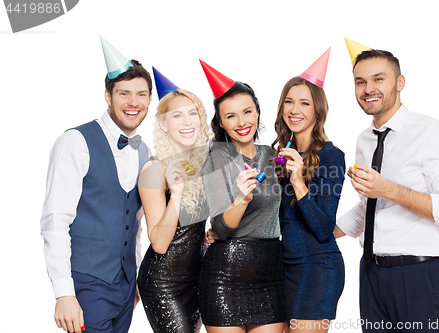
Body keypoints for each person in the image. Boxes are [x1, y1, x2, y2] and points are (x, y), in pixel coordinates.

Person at [334, 46, 439, 332]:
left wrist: (389, 189)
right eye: (360, 82)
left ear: (400, 83)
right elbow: (369, 207)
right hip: (370, 273)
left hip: (418, 276)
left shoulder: (430, 131)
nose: (368, 88)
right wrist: (317, 235)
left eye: (378, 79)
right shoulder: (364, 140)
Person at [40, 37, 152, 333]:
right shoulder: (75, 142)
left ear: (150, 100)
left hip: (127, 288)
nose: (133, 102)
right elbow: (55, 220)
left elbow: (135, 222)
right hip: (87, 284)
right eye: (124, 93)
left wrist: (136, 276)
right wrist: (64, 293)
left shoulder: (144, 151)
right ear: (107, 95)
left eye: (141, 94)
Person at [198, 60, 285, 333]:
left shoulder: (272, 156)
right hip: (225, 276)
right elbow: (220, 228)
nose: (242, 122)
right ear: (221, 122)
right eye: (231, 116)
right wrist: (241, 200)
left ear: (258, 112)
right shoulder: (216, 159)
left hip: (270, 274)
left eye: (247, 112)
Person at [273, 49, 345, 333]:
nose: (295, 110)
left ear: (318, 109)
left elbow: (324, 227)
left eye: (304, 103)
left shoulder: (331, 157)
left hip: (317, 268)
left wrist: (300, 182)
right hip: (283, 268)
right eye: (289, 102)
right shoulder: (280, 155)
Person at [136, 67, 211, 333]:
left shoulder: (202, 164)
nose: (187, 121)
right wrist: (177, 193)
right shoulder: (155, 170)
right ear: (163, 124)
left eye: (193, 113)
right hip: (164, 284)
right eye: (177, 115)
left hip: (197, 280)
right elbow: (158, 242)